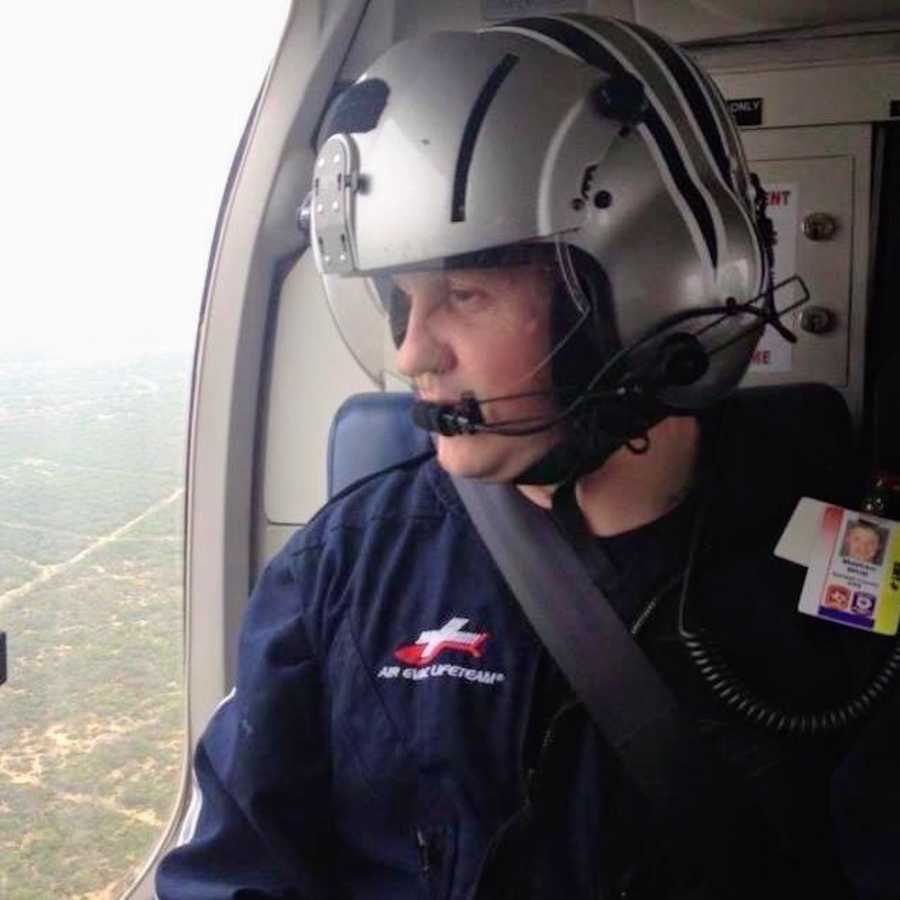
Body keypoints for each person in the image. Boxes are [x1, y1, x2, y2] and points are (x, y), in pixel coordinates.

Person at [156, 13, 899, 899]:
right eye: (400, 300)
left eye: (464, 294)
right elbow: (236, 870)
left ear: (650, 286)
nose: (411, 353)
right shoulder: (343, 562)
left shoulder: (845, 562)